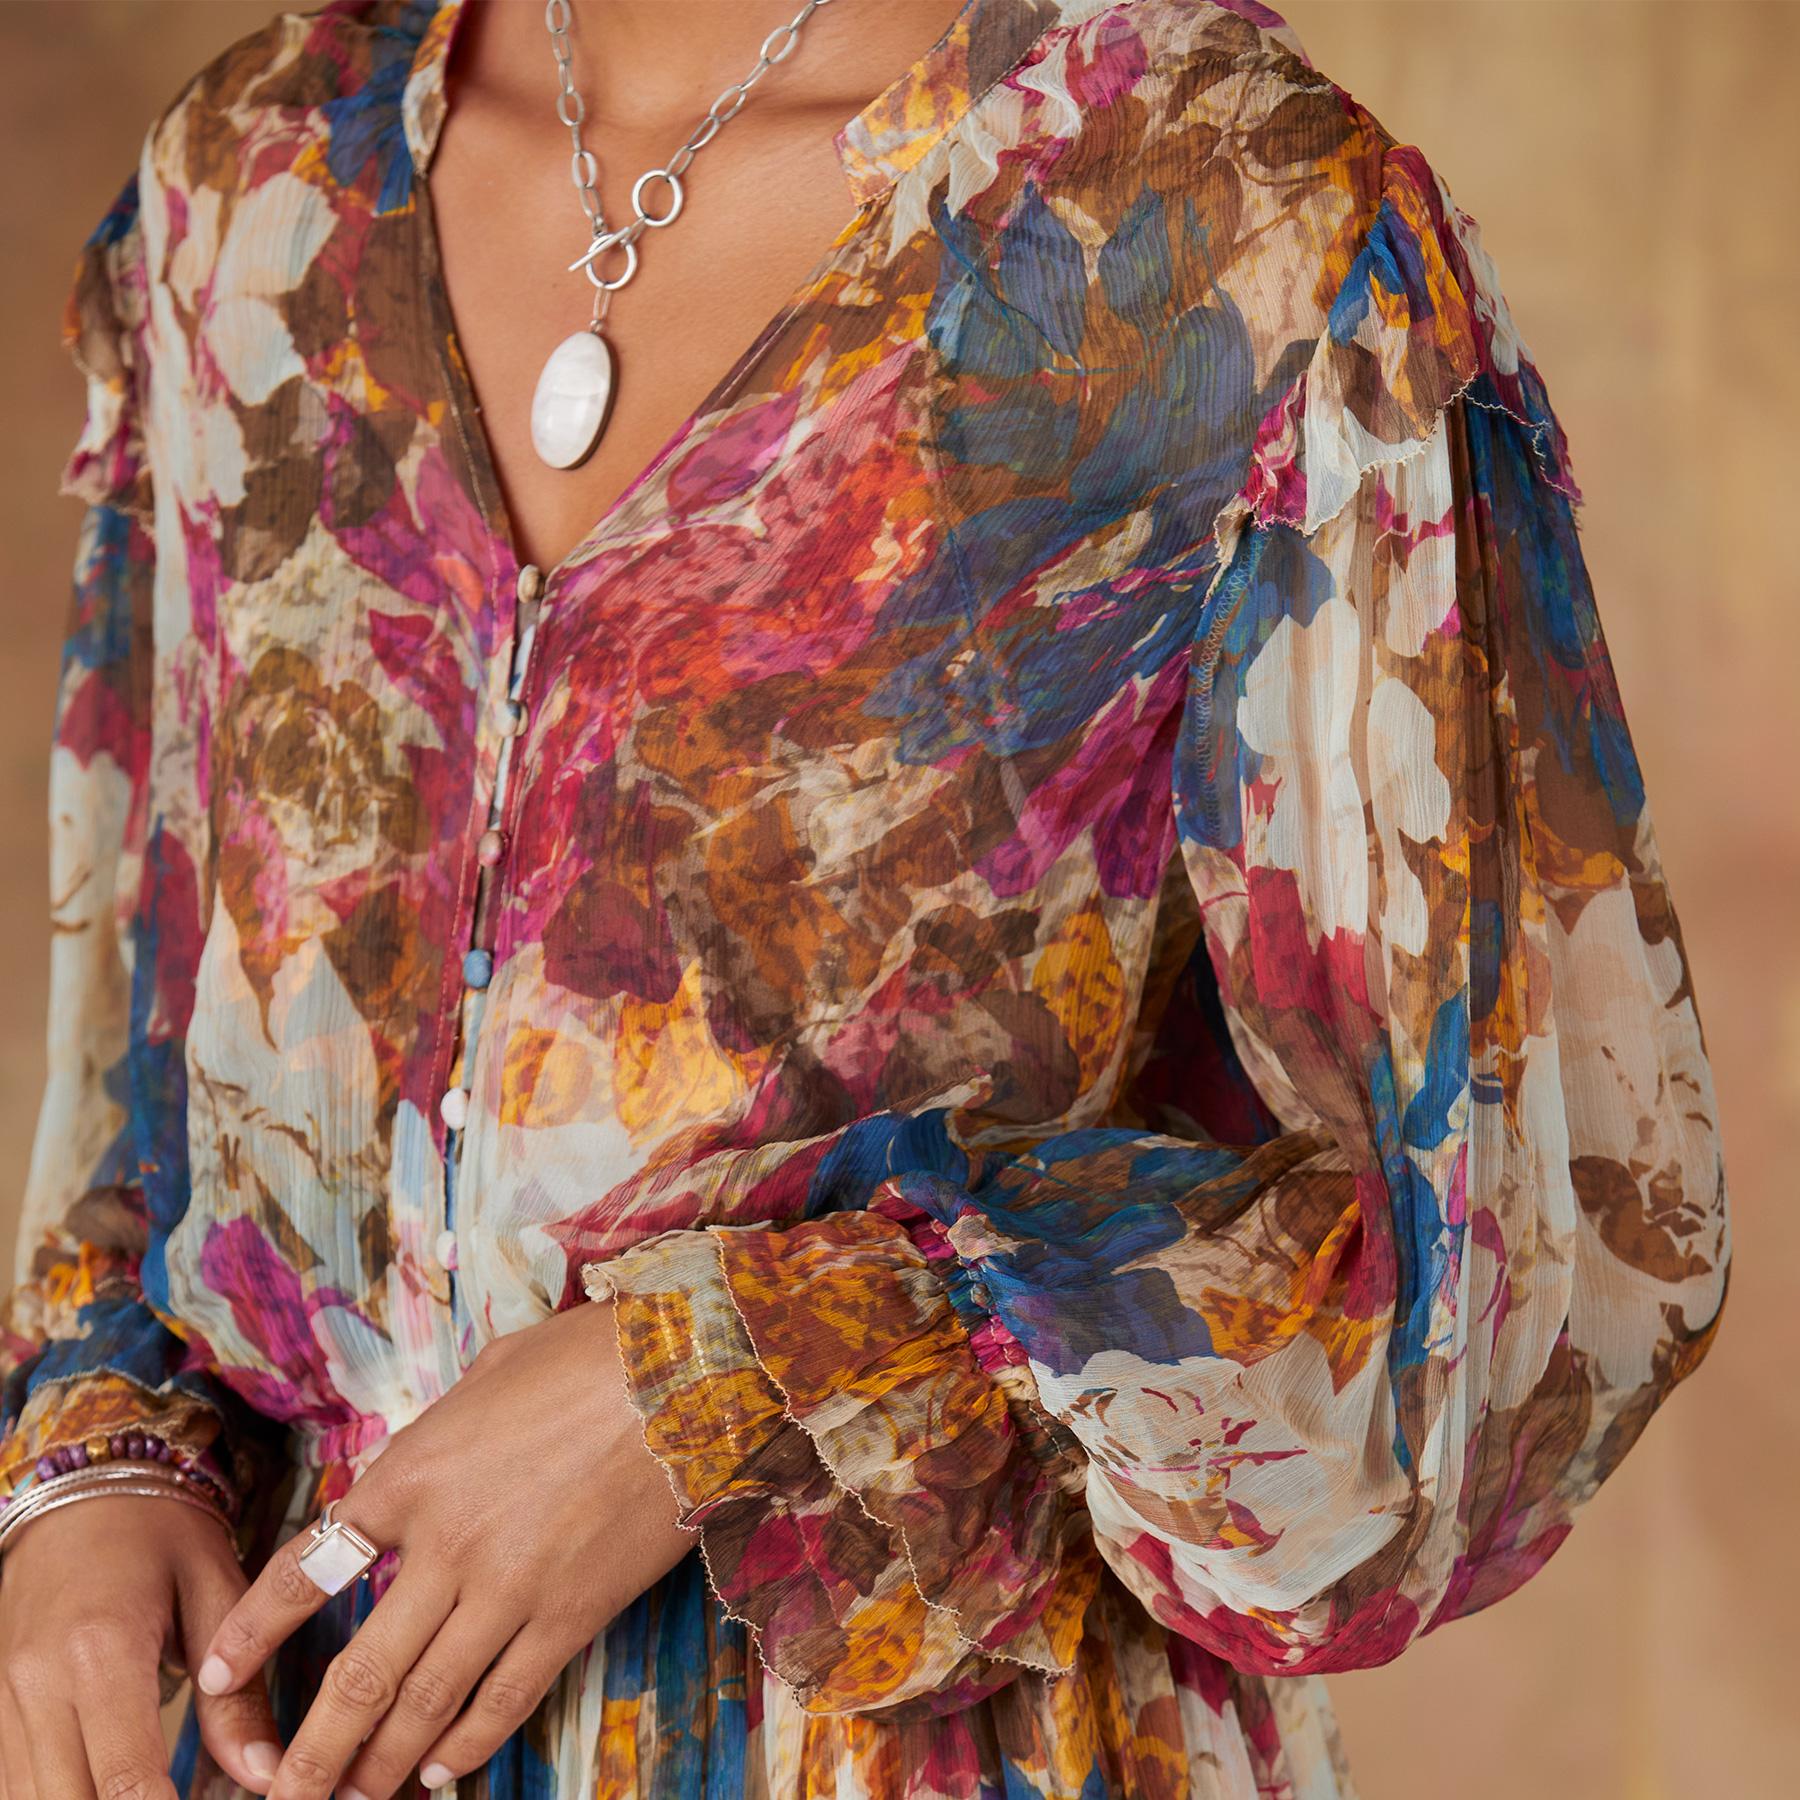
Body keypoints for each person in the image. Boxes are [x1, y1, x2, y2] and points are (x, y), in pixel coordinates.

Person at [0, 0, 1734, 1795]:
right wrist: (99, 1462)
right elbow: (159, 1057)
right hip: (288, 1733)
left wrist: (729, 1383)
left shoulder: (1222, 215)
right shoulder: (259, 182)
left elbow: (1523, 1274)